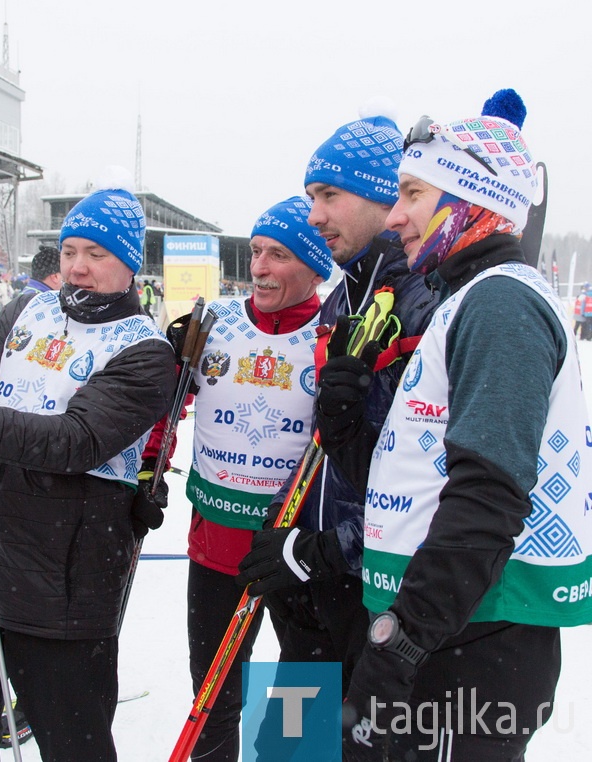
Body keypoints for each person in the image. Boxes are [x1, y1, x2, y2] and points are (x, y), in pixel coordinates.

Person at [331, 89, 592, 760]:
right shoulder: (467, 300)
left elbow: (490, 493)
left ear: (468, 195)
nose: (395, 218)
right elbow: (421, 476)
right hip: (451, 634)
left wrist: (406, 640)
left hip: (472, 643)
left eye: (413, 194)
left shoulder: (501, 304)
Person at [0, 178, 176, 762]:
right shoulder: (27, 309)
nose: (78, 268)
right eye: (70, 252)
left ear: (129, 267)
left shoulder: (145, 351)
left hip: (65, 585)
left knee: (75, 742)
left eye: (97, 255)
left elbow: (75, 443)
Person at [237, 107, 439, 693]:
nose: (314, 215)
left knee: (357, 743)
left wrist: (325, 551)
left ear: (385, 197)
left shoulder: (427, 303)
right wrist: (285, 533)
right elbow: (320, 442)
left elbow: (428, 485)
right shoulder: (344, 299)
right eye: (310, 196)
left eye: (329, 195)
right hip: (310, 583)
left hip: (375, 594)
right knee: (293, 740)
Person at [181, 197, 333, 761]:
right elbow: (164, 407)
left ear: (316, 264)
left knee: (303, 699)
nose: (260, 267)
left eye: (280, 255)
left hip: (296, 550)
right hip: (216, 545)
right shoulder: (215, 323)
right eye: (256, 252)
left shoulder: (335, 332)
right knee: (214, 694)